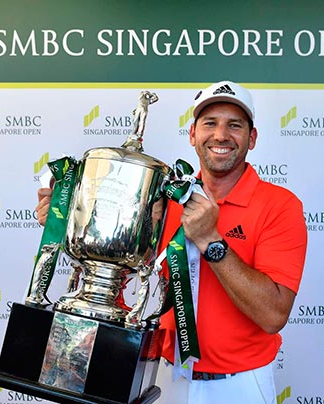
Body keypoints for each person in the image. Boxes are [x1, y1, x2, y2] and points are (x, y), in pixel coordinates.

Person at [36, 81, 307, 404]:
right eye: (210, 123)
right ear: (192, 135)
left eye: (234, 125)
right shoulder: (165, 199)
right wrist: (70, 217)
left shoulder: (280, 205)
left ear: (252, 138)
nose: (221, 135)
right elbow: (121, 269)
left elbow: (273, 315)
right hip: (162, 377)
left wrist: (211, 241)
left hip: (238, 386)